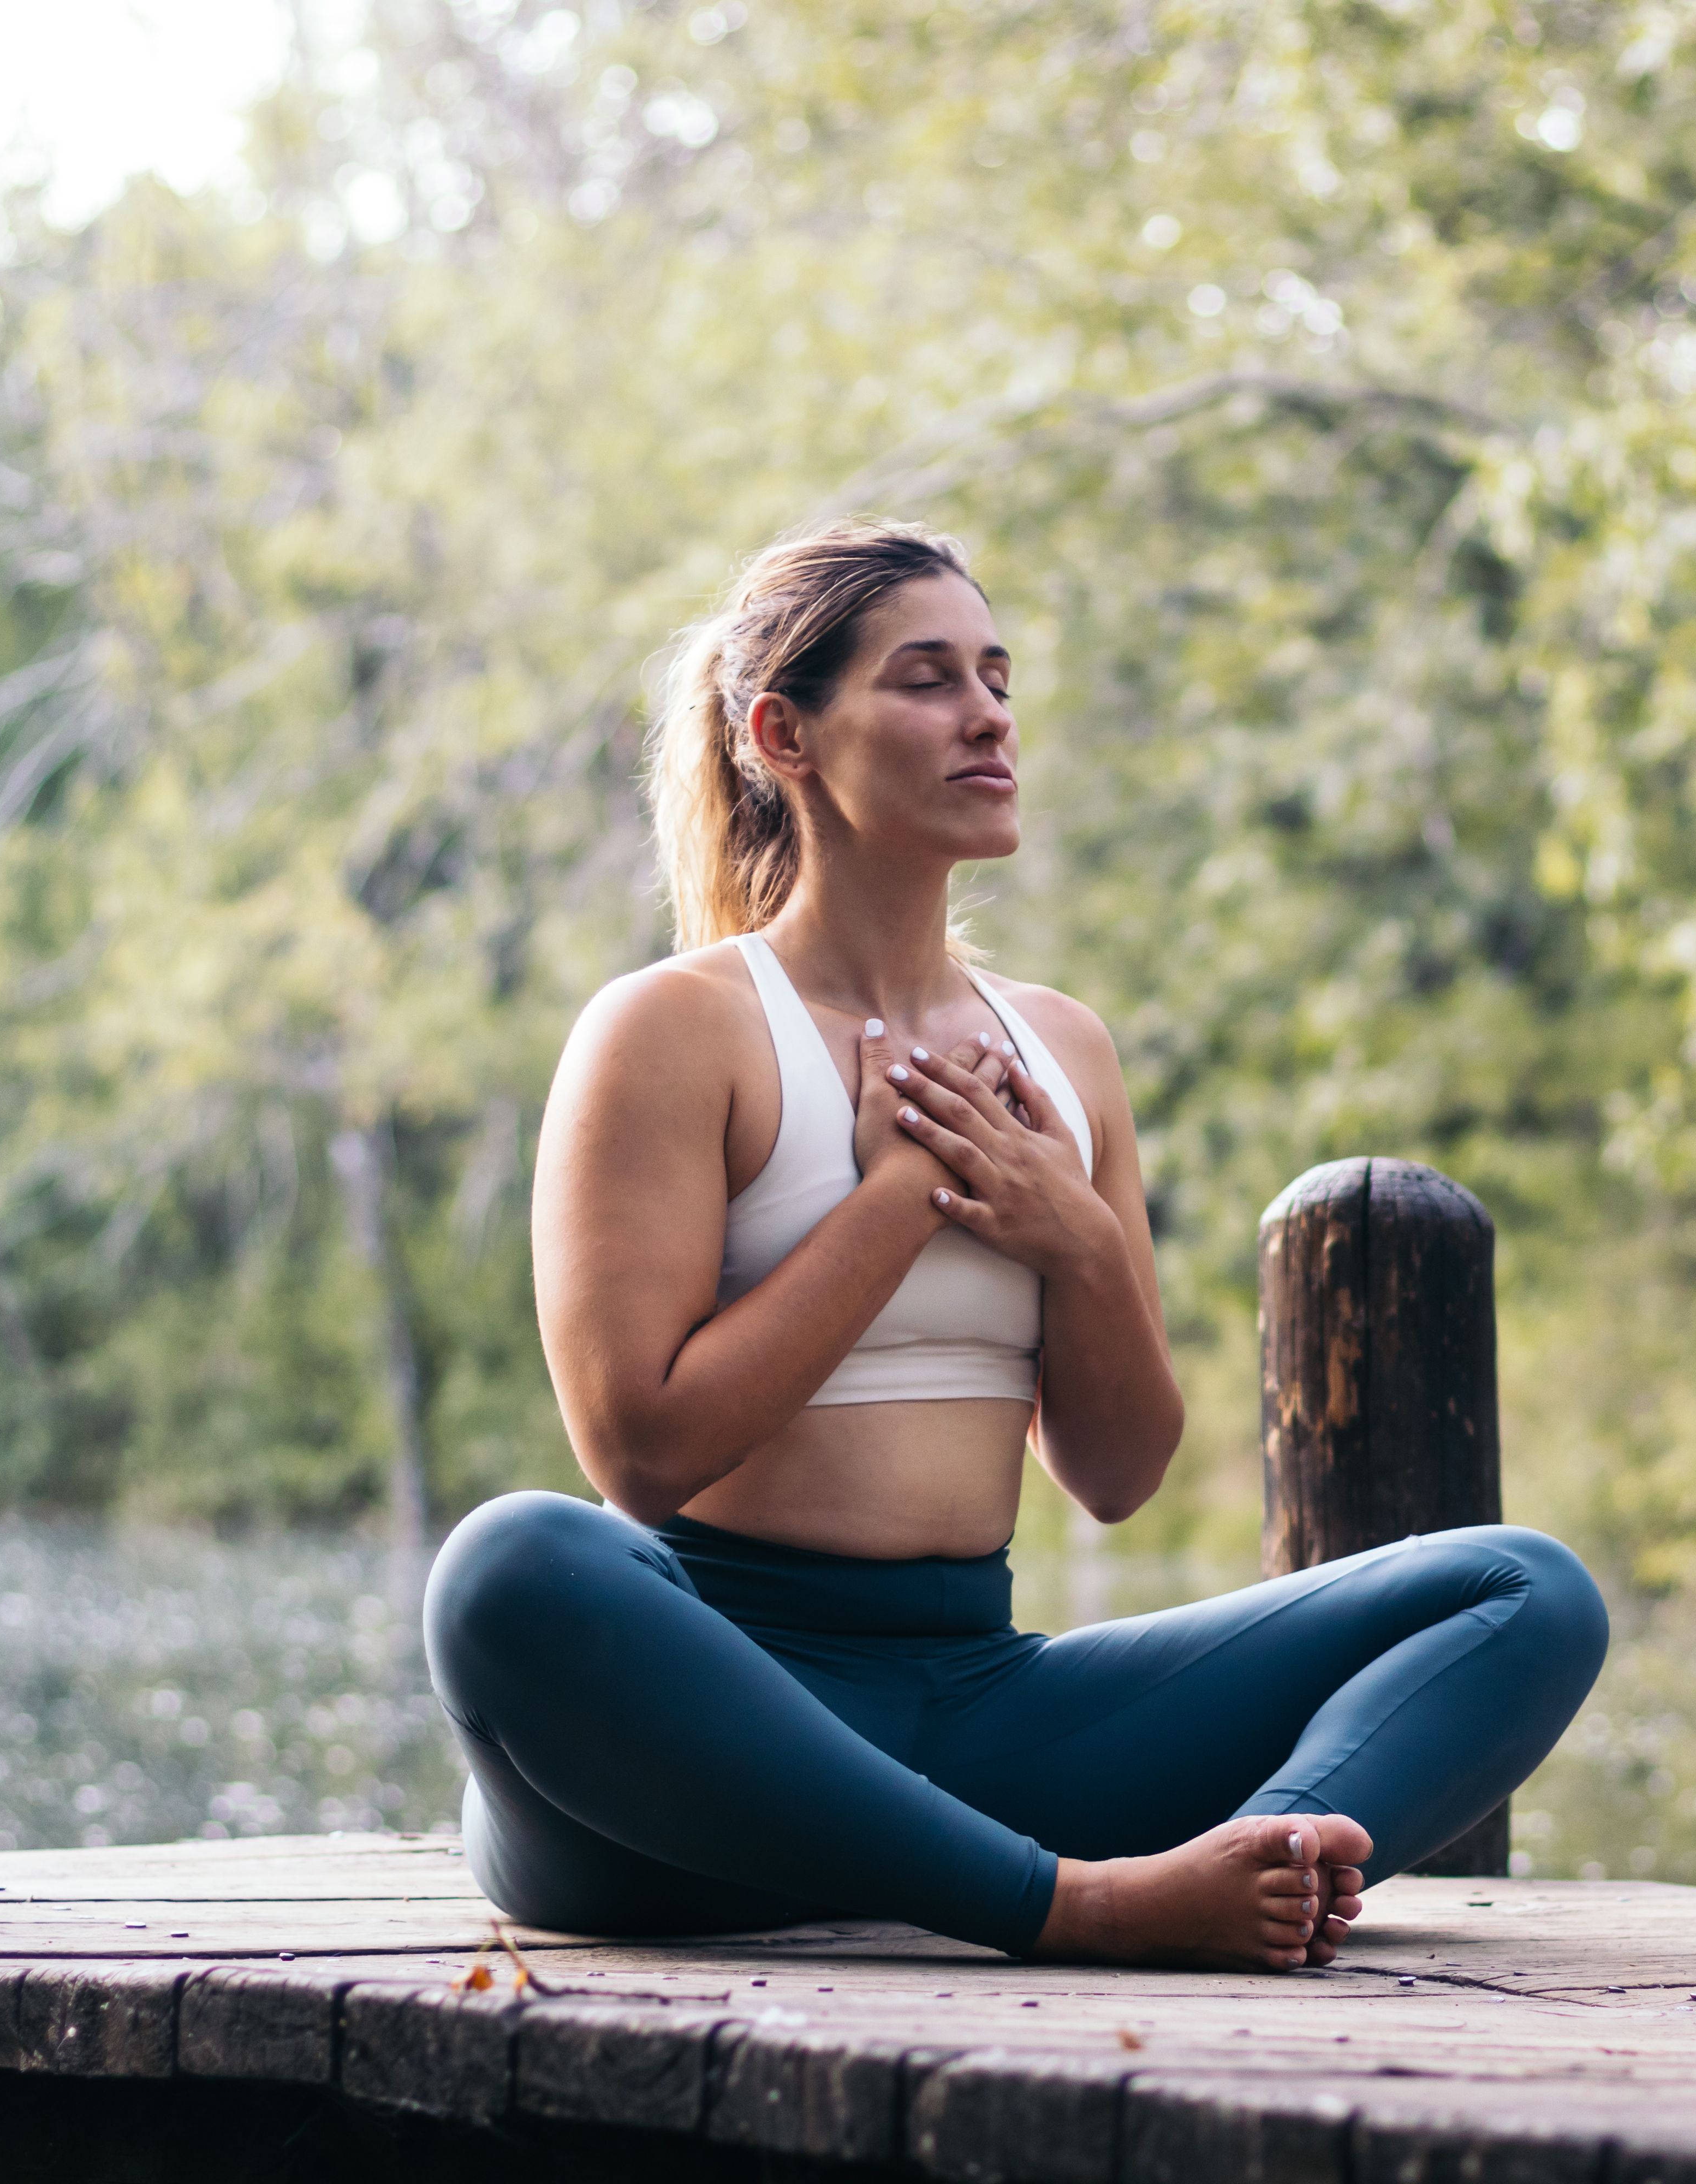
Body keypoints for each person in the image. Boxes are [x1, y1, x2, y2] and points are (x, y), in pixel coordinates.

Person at [423, 519, 1606, 1969]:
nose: (987, 715)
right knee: (512, 1563)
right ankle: (1079, 1906)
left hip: (983, 1713)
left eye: (995, 676)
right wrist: (895, 1201)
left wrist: (1079, 1243)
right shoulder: (675, 1029)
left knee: (1526, 1591)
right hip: (692, 1774)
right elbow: (642, 1455)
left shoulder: (1060, 1049)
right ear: (784, 736)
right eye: (926, 680)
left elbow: (1116, 1474)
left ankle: (1252, 1872)